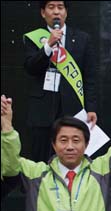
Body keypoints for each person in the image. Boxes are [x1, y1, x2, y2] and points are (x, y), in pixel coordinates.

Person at [24, 1, 97, 162]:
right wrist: (48, 46)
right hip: (43, 111)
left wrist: (91, 108)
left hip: (72, 108)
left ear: (66, 12)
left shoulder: (82, 39)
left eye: (60, 7)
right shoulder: (33, 38)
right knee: (41, 160)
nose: (56, 12)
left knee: (72, 157)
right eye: (51, 7)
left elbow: (89, 77)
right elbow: (30, 68)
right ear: (43, 13)